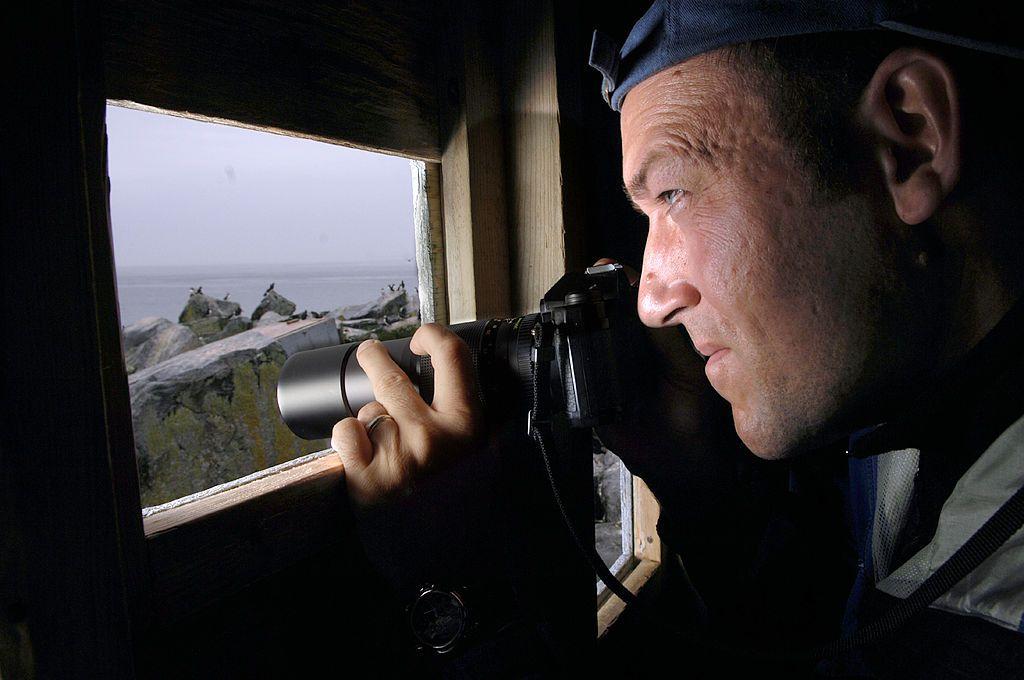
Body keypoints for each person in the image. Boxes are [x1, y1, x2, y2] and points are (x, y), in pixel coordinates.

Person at [331, 1, 1024, 676]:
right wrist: (701, 480)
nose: (654, 298)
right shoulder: (925, 401)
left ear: (910, 138)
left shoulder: (993, 626)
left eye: (674, 194)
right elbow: (814, 637)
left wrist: (457, 592)